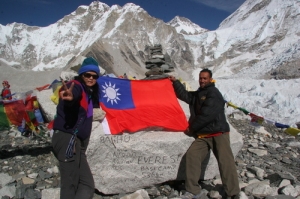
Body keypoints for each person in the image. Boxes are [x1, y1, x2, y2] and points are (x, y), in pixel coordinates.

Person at [169, 68, 240, 199]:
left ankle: (233, 192)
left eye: (205, 78)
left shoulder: (213, 93)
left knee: (225, 162)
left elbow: (207, 115)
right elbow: (186, 96)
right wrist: (175, 82)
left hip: (219, 134)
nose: (202, 80)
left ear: (210, 79)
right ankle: (192, 189)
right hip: (204, 136)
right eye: (201, 78)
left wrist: (192, 128)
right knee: (192, 155)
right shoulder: (199, 93)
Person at [52, 57, 104, 199]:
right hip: (67, 138)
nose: (91, 78)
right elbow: (72, 95)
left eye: (94, 76)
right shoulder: (76, 86)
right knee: (70, 184)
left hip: (77, 144)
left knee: (87, 184)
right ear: (81, 75)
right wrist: (70, 97)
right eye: (87, 75)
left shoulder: (89, 94)